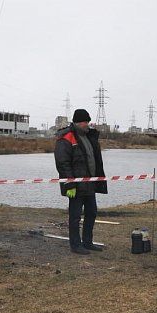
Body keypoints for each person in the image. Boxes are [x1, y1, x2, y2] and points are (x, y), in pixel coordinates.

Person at [54, 109, 107, 255]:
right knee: (75, 216)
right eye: (86, 122)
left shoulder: (88, 136)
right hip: (75, 186)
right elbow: (62, 163)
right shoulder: (66, 137)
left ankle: (88, 242)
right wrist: (69, 184)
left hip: (90, 183)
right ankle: (75, 245)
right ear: (79, 122)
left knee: (92, 212)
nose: (88, 124)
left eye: (88, 122)